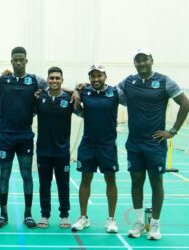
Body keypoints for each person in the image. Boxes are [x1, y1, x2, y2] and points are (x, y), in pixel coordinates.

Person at [119, 49, 189, 240]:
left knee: (156, 182)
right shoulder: (128, 82)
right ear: (134, 63)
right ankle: (139, 222)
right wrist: (78, 88)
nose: (141, 63)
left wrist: (172, 132)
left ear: (151, 60)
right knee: (136, 182)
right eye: (137, 60)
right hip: (134, 143)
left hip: (155, 144)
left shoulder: (165, 81)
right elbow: (109, 93)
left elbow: (185, 103)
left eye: (145, 60)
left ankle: (155, 225)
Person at [0, 47, 48, 229]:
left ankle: (28, 214)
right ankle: (3, 214)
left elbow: (53, 87)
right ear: (11, 61)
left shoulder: (35, 80)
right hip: (6, 136)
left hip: (25, 136)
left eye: (21, 60)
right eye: (15, 60)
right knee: (4, 175)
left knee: (26, 175)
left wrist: (76, 90)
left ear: (26, 60)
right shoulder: (2, 80)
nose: (18, 63)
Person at [71, 64, 120, 233]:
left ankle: (111, 219)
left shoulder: (115, 92)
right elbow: (72, 98)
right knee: (85, 180)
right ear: (89, 78)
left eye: (99, 75)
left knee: (110, 181)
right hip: (88, 144)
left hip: (107, 145)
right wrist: (76, 91)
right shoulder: (85, 92)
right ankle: (83, 217)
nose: (96, 79)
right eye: (93, 76)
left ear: (105, 76)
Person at [35, 67, 74, 229]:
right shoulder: (39, 97)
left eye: (57, 78)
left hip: (62, 151)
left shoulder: (70, 99)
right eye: (51, 78)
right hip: (43, 150)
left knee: (63, 184)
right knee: (44, 184)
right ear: (47, 80)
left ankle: (64, 215)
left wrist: (76, 91)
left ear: (62, 80)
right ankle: (45, 215)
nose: (54, 81)